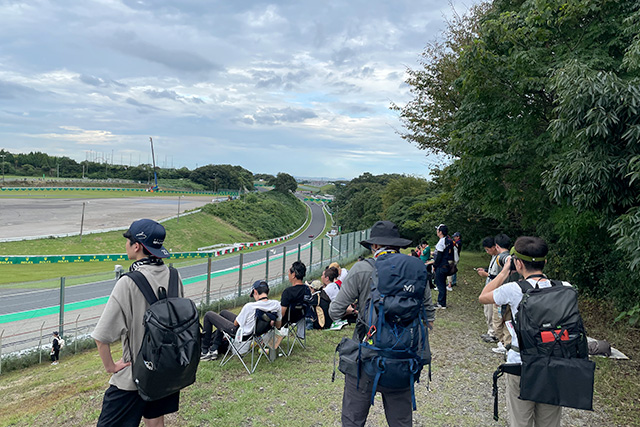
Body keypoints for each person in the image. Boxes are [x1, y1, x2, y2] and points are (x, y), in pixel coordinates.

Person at [329, 220, 436, 427]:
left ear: (375, 246)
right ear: (398, 245)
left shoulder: (361, 269)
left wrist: (357, 312)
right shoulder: (415, 271)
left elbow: (335, 312)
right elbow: (429, 315)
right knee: (401, 422)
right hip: (403, 360)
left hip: (365, 357)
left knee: (353, 420)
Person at [92, 218, 182, 427]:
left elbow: (101, 337)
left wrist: (111, 366)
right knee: (155, 421)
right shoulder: (174, 276)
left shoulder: (128, 282)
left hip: (134, 377)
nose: (126, 245)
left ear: (137, 246)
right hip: (165, 370)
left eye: (128, 240)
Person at [479, 236, 566, 427]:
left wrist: (503, 272)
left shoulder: (514, 289)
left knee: (521, 421)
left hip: (521, 363)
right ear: (545, 261)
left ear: (518, 263)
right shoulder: (564, 288)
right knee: (550, 422)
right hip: (554, 363)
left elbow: (483, 296)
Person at [200, 280, 282, 361]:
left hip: (240, 333)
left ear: (255, 291)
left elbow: (236, 323)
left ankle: (205, 352)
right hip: (256, 332)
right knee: (223, 313)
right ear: (268, 291)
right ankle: (214, 348)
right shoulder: (276, 304)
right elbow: (278, 325)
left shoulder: (250, 306)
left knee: (208, 315)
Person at [476, 236, 499, 344]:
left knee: (492, 313)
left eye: (487, 249)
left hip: (494, 289)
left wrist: (486, 274)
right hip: (488, 287)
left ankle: (494, 334)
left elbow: (498, 276)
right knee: (487, 311)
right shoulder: (494, 257)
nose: (487, 251)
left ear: (494, 247)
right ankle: (490, 331)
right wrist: (485, 270)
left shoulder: (501, 258)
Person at [428, 224, 454, 309]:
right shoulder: (447, 240)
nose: (437, 232)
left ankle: (441, 303)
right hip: (446, 265)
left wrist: (435, 265)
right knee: (442, 284)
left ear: (440, 232)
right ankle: (442, 302)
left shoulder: (442, 241)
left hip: (441, 266)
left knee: (440, 285)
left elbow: (439, 256)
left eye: (438, 230)